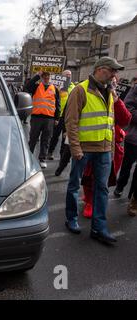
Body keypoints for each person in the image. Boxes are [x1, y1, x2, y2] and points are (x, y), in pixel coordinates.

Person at [64, 56, 125, 245]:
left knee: (102, 189)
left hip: (105, 150)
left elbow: (111, 122)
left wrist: (111, 150)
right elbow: (71, 122)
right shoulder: (80, 90)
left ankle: (99, 228)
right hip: (84, 149)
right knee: (75, 185)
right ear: (100, 70)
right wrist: (75, 148)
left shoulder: (110, 92)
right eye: (112, 70)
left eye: (116, 71)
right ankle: (71, 219)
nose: (115, 75)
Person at [81, 76, 131, 218]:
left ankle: (95, 199)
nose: (112, 85)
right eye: (110, 82)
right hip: (92, 141)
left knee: (105, 176)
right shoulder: (88, 93)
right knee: (89, 174)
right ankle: (89, 200)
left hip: (112, 145)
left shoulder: (115, 98)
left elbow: (125, 120)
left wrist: (116, 100)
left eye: (115, 83)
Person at [25, 70, 61, 168]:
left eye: (48, 77)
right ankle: (29, 156)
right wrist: (37, 76)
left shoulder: (55, 89)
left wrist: (57, 118)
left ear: (50, 78)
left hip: (49, 118)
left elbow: (58, 104)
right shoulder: (36, 86)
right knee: (33, 139)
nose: (46, 78)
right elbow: (27, 87)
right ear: (42, 78)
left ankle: (42, 158)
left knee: (46, 140)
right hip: (36, 117)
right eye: (44, 77)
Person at [114, 74, 137, 199]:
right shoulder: (135, 90)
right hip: (133, 138)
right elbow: (128, 110)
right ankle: (120, 186)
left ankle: (133, 196)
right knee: (127, 165)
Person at [48, 70, 75, 160]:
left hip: (68, 116)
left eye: (70, 75)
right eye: (67, 75)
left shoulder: (74, 87)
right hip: (58, 115)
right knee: (55, 135)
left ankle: (62, 154)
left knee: (65, 137)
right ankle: (50, 152)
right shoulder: (56, 86)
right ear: (62, 76)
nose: (69, 76)